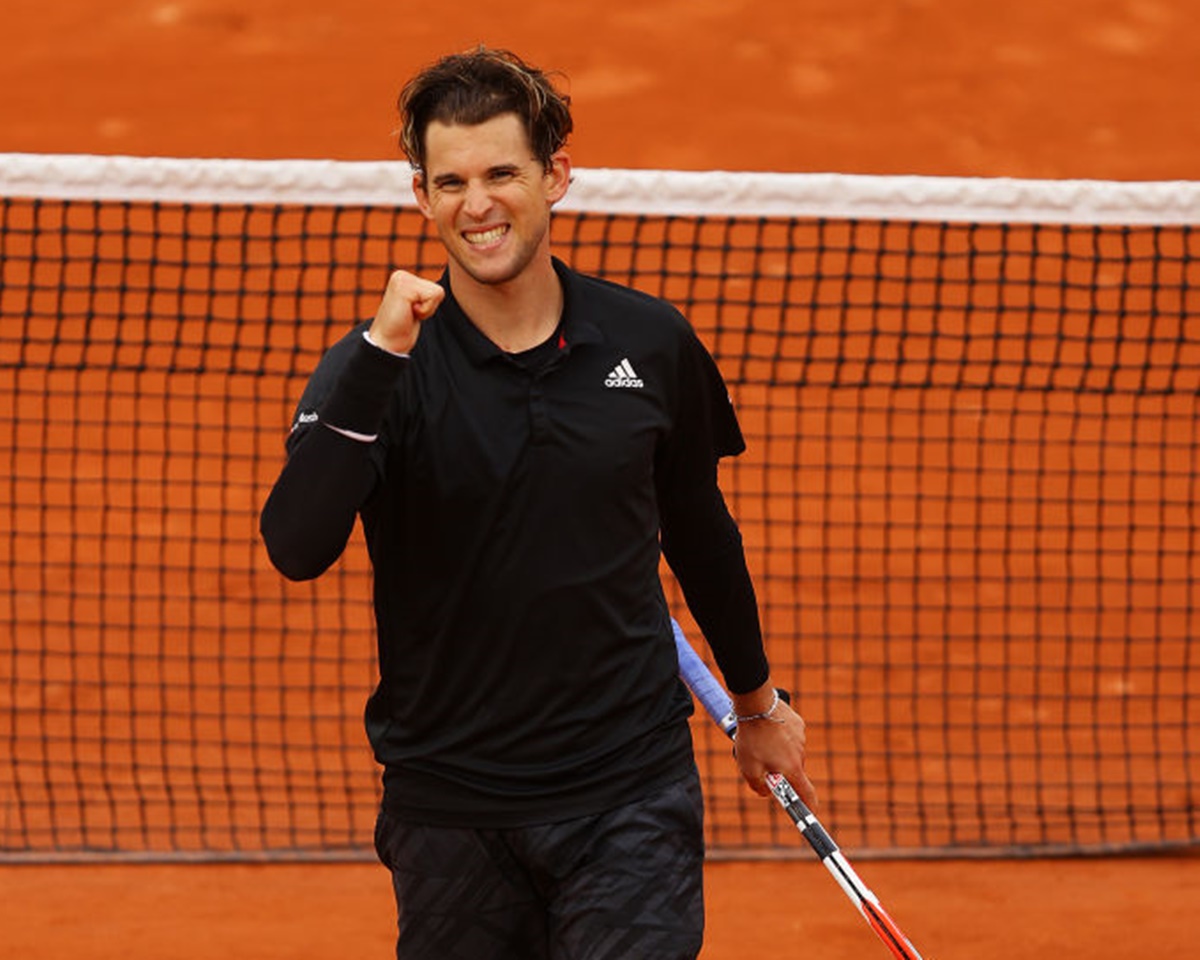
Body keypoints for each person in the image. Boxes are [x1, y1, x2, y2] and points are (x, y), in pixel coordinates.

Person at [260, 46, 815, 960]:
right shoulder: (377, 370)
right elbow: (296, 544)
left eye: (501, 173)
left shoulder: (649, 341)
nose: (476, 205)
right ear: (421, 197)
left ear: (555, 176)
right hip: (449, 808)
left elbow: (700, 534)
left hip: (628, 792)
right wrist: (375, 361)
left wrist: (757, 706)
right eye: (450, 182)